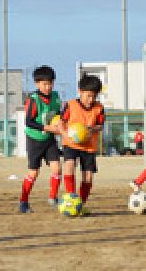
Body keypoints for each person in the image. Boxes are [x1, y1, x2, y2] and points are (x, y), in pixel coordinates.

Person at [19, 65, 63, 214]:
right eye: (44, 84)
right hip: (34, 139)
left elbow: (58, 115)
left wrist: (60, 125)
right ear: (37, 84)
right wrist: (48, 128)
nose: (48, 87)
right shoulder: (33, 99)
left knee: (57, 168)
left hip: (49, 139)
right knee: (33, 173)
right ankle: (23, 202)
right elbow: (29, 121)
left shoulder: (56, 97)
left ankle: (53, 198)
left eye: (50, 83)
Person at [60, 74, 105, 214]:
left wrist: (91, 129)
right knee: (69, 165)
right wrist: (65, 134)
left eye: (94, 96)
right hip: (71, 143)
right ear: (80, 91)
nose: (91, 100)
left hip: (89, 146)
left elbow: (100, 125)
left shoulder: (99, 108)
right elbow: (61, 122)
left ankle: (80, 204)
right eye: (88, 96)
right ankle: (70, 199)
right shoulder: (71, 105)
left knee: (88, 177)